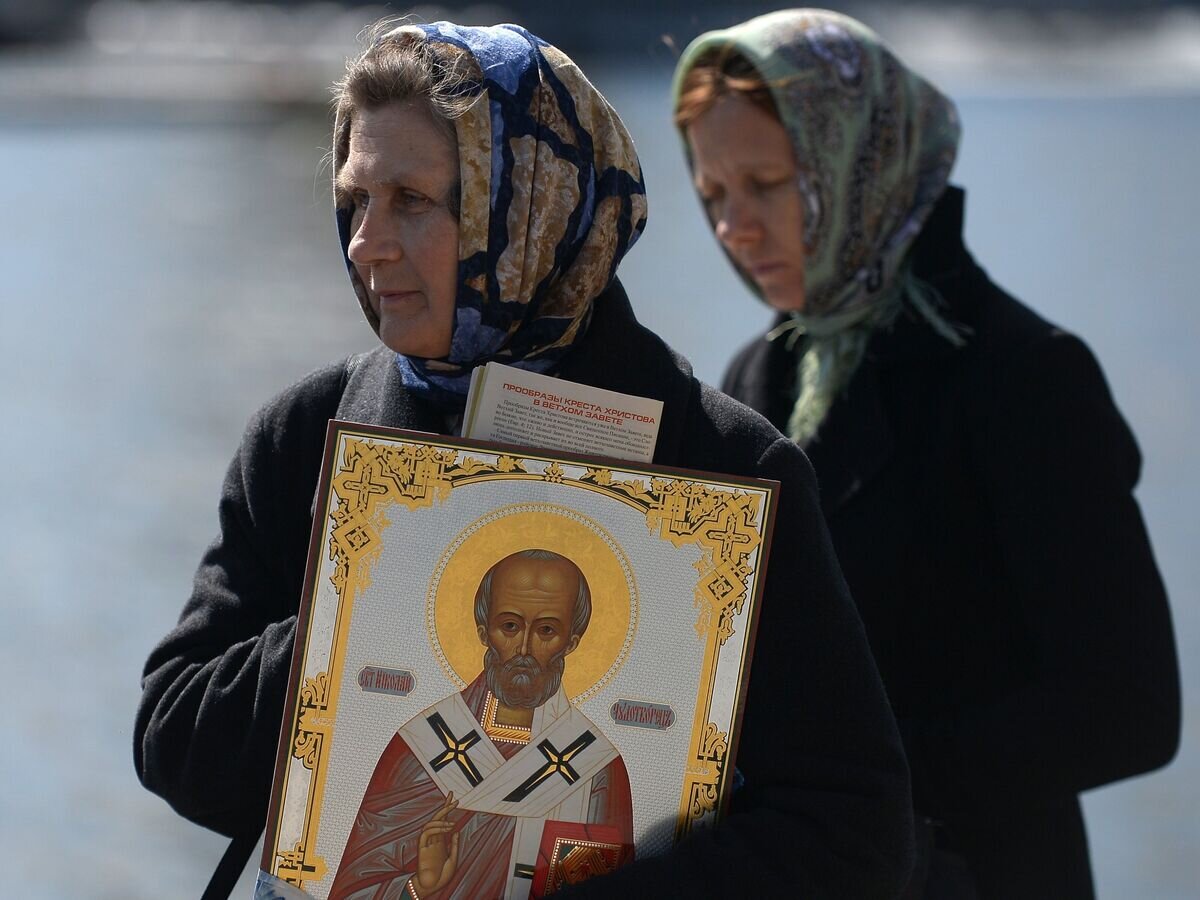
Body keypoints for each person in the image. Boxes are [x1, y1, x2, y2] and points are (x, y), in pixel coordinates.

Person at [134, 19, 915, 899]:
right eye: (357, 199)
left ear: (531, 208)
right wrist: (362, 597)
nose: (365, 243)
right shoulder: (303, 436)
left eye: (413, 201)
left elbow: (854, 833)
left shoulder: (722, 467)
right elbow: (173, 745)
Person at [672, 9, 1181, 899]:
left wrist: (857, 780)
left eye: (768, 182)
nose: (734, 227)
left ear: (862, 164)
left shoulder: (1024, 375)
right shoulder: (757, 376)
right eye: (714, 193)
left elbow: (1131, 710)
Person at [329, 550, 634, 899]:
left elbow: (614, 892)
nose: (524, 648)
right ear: (483, 631)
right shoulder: (420, 746)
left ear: (572, 642)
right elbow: (352, 891)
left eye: (546, 630)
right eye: (509, 626)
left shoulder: (595, 767)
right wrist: (418, 888)